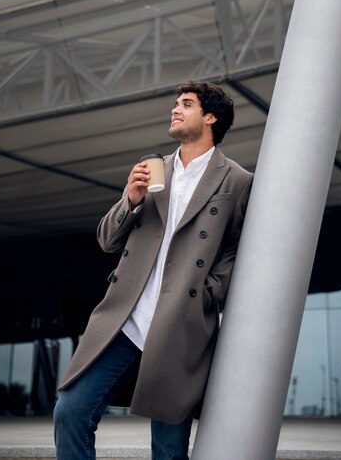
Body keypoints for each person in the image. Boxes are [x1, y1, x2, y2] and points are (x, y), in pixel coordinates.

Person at [54, 81, 253, 460]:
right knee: (71, 412)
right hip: (125, 320)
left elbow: (236, 249)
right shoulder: (152, 170)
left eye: (186, 104)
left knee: (168, 448)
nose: (175, 110)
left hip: (181, 324)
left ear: (210, 117)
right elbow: (107, 241)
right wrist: (130, 199)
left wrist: (209, 291)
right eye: (175, 104)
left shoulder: (236, 180)